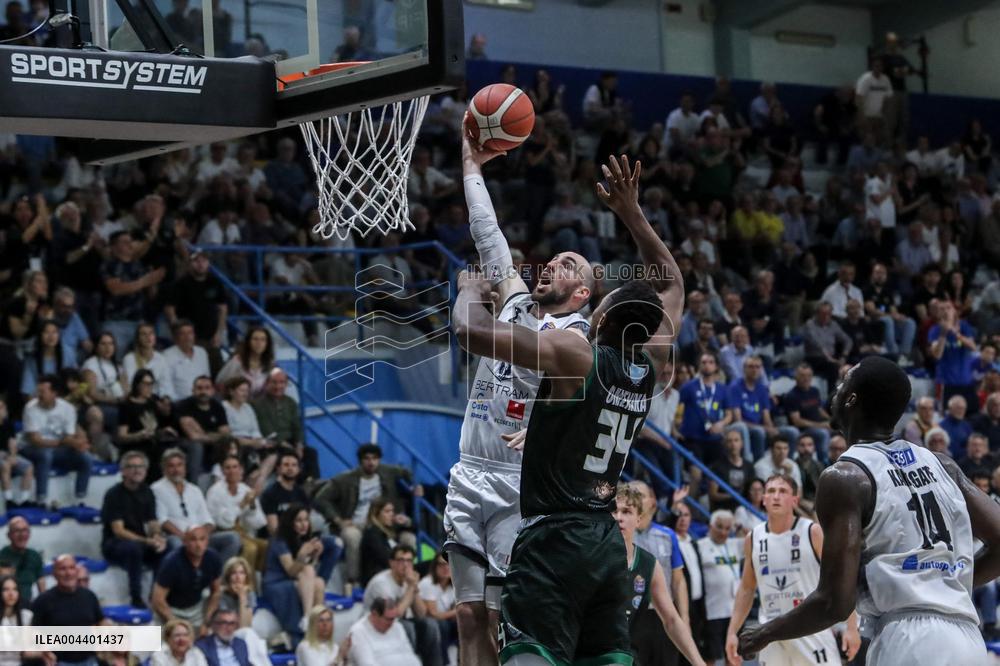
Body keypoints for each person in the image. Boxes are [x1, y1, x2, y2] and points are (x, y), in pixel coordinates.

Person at [444, 139, 671, 664]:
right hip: (469, 468)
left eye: (567, 262)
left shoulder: (578, 345)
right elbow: (487, 231)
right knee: (467, 614)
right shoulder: (517, 301)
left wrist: (549, 429)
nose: (550, 263)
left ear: (584, 294)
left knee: (506, 618)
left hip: (519, 482)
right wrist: (471, 165)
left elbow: (590, 408)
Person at [738, 356, 1000, 665]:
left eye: (844, 381)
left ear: (851, 399)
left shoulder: (846, 477)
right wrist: (943, 584)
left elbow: (834, 602)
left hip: (908, 642)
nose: (836, 387)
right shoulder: (943, 464)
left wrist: (764, 633)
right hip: (967, 640)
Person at [725, 473, 860, 665]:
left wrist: (852, 627)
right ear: (763, 499)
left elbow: (842, 580)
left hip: (810, 629)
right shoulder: (753, 538)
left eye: (782, 491)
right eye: (771, 491)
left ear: (794, 499)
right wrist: (732, 632)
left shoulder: (812, 532)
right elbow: (746, 589)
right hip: (770, 633)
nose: (776, 496)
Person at [613, 486, 705, 666]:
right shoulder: (592, 556)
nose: (619, 517)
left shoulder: (649, 562)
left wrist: (698, 662)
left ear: (638, 518)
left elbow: (671, 616)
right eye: (614, 511)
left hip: (647, 620)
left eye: (626, 511)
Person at [314, 442, 420, 587]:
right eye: (367, 459)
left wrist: (416, 486)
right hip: (356, 524)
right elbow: (320, 499)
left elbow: (408, 473)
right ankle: (354, 581)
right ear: (360, 460)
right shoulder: (344, 479)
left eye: (375, 458)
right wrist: (338, 520)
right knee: (352, 536)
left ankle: (408, 578)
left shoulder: (387, 471)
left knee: (409, 538)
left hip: (383, 522)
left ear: (379, 460)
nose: (371, 462)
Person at [262, 504, 340, 642]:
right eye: (299, 520)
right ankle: (308, 618)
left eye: (306, 520)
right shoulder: (279, 541)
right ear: (290, 522)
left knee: (319, 582)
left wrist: (315, 556)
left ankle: (317, 628)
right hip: (276, 583)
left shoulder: (303, 539)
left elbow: (307, 575)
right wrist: (302, 556)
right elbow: (291, 571)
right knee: (308, 570)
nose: (304, 524)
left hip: (295, 580)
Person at [101, 451, 167, 609]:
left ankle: (156, 595)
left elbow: (152, 521)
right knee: (134, 548)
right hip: (115, 544)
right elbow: (118, 531)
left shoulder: (147, 491)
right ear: (123, 471)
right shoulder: (114, 494)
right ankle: (136, 597)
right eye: (131, 467)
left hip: (140, 541)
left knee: (168, 547)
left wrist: (157, 536)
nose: (137, 470)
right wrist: (146, 541)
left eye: (141, 466)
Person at [151, 448, 241, 561]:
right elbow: (162, 520)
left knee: (233, 538)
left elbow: (209, 521)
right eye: (171, 466)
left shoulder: (194, 490)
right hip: (176, 536)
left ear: (185, 468)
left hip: (198, 536)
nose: (176, 469)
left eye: (179, 465)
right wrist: (185, 537)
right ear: (164, 469)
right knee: (176, 543)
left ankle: (218, 576)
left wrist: (200, 537)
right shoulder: (156, 489)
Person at [22, 375, 92, 509]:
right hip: (32, 449)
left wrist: (78, 444)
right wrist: (65, 442)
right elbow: (35, 440)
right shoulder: (30, 408)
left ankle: (80, 500)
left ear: (54, 393)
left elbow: (69, 436)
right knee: (45, 454)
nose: (39, 395)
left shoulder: (68, 409)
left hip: (58, 449)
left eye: (43, 392)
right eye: (38, 391)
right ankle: (41, 499)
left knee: (86, 458)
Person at [31, 554, 104, 666]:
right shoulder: (43, 600)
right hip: (58, 662)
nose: (68, 573)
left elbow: (101, 621)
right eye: (63, 569)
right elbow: (33, 633)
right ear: (54, 574)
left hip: (89, 660)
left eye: (71, 568)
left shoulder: (89, 596)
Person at [151, 525, 223, 634]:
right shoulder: (171, 562)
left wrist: (207, 621)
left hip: (196, 609)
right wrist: (175, 624)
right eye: (193, 540)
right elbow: (157, 600)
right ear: (184, 541)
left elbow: (216, 591)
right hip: (170, 609)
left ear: (207, 541)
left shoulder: (213, 558)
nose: (198, 545)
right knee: (155, 646)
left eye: (202, 539)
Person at [252, 369, 320, 481]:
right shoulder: (258, 404)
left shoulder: (290, 402)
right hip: (272, 444)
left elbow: (297, 427)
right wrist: (285, 444)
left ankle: (314, 485)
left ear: (286, 384)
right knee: (291, 455)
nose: (278, 386)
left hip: (290, 442)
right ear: (267, 383)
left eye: (281, 382)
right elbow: (266, 429)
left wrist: (299, 444)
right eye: (274, 382)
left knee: (311, 453)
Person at [696, 509, 743, 664]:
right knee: (710, 658)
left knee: (734, 655)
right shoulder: (700, 546)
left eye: (728, 528)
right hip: (712, 612)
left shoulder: (735, 544)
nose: (723, 532)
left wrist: (740, 528)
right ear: (710, 526)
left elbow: (755, 538)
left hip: (735, 612)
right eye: (719, 527)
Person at [206, 456, 267, 571]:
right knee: (250, 548)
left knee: (266, 546)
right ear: (223, 471)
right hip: (222, 533)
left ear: (241, 470)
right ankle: (246, 584)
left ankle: (258, 580)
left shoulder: (246, 489)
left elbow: (260, 523)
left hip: (243, 533)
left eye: (235, 467)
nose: (232, 471)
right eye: (228, 468)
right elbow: (226, 523)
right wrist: (242, 504)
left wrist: (252, 506)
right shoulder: (215, 492)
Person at [117, 369, 177, 477]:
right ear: (137, 384)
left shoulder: (153, 401)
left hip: (155, 442)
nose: (149, 387)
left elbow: (158, 426)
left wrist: (165, 427)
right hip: (137, 445)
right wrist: (139, 435)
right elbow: (122, 436)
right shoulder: (127, 405)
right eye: (146, 384)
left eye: (151, 384)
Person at [175, 375, 232, 484]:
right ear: (193, 390)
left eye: (207, 388)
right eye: (199, 388)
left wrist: (205, 435)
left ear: (213, 390)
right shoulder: (183, 405)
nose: (203, 392)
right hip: (184, 442)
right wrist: (214, 436)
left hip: (210, 443)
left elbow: (226, 434)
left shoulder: (217, 406)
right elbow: (193, 436)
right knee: (197, 446)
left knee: (230, 444)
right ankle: (193, 484)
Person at [348, 597, 421, 666]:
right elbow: (367, 664)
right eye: (388, 619)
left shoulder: (397, 626)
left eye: (394, 618)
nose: (392, 623)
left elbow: (410, 654)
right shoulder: (358, 632)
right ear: (374, 614)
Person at [360, 497, 413, 586]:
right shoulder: (372, 533)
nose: (392, 514)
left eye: (392, 511)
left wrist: (405, 521)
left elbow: (415, 528)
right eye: (387, 511)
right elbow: (385, 558)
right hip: (378, 577)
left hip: (392, 572)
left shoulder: (389, 530)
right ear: (376, 514)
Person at [419, 551, 457, 665]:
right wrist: (456, 612)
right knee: (442, 625)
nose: (445, 568)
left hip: (445, 621)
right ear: (434, 567)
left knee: (466, 623)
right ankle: (444, 663)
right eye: (441, 564)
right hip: (425, 622)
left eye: (448, 564)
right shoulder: (428, 583)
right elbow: (433, 614)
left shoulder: (453, 585)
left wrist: (457, 613)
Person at [215, 326, 274, 398]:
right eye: (255, 339)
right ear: (248, 342)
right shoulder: (237, 361)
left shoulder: (269, 363)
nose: (259, 343)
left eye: (263, 340)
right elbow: (219, 382)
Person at [123, 321, 174, 400]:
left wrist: (166, 399)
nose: (148, 337)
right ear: (138, 338)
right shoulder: (129, 358)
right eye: (144, 334)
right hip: (137, 399)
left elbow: (166, 385)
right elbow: (131, 384)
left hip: (157, 399)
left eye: (151, 333)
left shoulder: (161, 359)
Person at [162, 320, 211, 402]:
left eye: (190, 333)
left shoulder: (202, 352)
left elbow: (207, 379)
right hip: (180, 403)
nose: (187, 337)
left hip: (202, 400)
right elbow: (166, 386)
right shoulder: (166, 356)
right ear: (176, 337)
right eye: (182, 334)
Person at [0, 574, 42, 666]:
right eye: (6, 589)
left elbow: (25, 652)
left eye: (15, 589)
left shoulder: (25, 616)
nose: (11, 593)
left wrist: (45, 652)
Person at [0, 517, 43, 600]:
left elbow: (41, 584)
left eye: (25, 530)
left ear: (29, 534)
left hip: (27, 605)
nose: (22, 534)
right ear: (9, 535)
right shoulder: (2, 556)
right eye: (17, 531)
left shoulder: (35, 556)